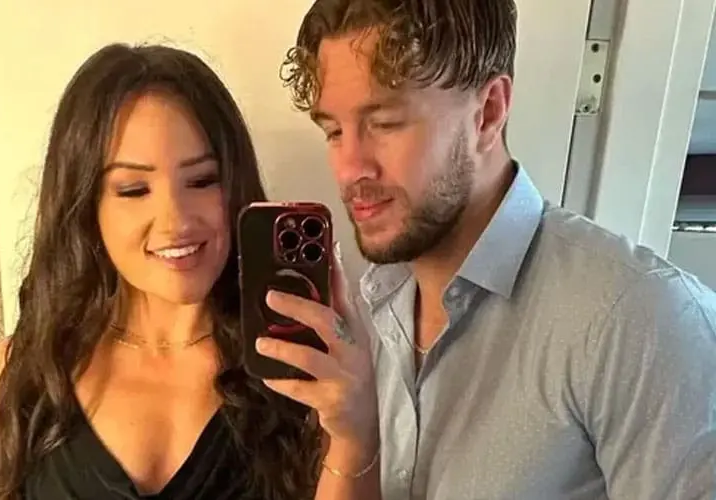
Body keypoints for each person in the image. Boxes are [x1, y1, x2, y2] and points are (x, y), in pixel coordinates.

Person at [277, 1, 716, 499]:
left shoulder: (642, 320)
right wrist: (354, 442)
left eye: (385, 122)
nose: (349, 168)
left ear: (488, 113)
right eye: (334, 131)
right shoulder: (370, 307)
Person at [0, 43, 378, 500]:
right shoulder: (24, 373)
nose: (176, 220)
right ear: (86, 205)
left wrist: (355, 438)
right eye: (134, 189)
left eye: (202, 180)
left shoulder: (298, 366)